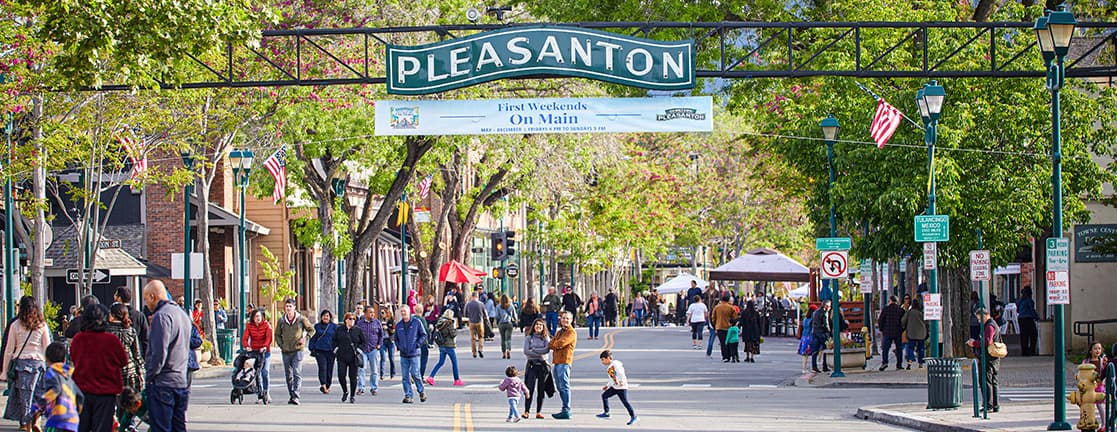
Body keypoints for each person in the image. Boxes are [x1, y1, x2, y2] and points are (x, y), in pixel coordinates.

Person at [143, 280, 192, 432]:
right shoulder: (182, 314)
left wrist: (150, 376)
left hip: (163, 382)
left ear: (153, 296)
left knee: (161, 428)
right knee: (178, 427)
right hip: (181, 380)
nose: (147, 305)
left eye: (146, 299)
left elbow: (159, 353)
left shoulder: (161, 316)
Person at [70, 303, 127, 432]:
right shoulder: (111, 340)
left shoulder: (78, 339)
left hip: (82, 390)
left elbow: (73, 358)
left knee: (82, 426)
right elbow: (123, 361)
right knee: (102, 427)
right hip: (106, 392)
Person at [2, 296, 51, 431]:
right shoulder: (42, 325)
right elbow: (47, 347)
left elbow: (9, 350)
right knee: (39, 394)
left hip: (22, 364)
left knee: (24, 396)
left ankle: (25, 424)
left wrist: (4, 371)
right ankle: (36, 419)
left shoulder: (15, 325)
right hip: (39, 364)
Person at [274, 298, 314, 405]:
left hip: (298, 350)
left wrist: (305, 338)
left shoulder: (301, 319)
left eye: (290, 306)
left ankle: (296, 395)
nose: (288, 308)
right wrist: (281, 345)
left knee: (297, 372)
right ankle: (291, 395)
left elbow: (311, 329)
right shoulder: (282, 320)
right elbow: (277, 334)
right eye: (287, 306)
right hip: (286, 350)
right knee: (288, 374)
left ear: (294, 307)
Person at [34, 341, 81, 432]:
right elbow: (80, 396)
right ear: (64, 359)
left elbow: (52, 392)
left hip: (56, 417)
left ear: (46, 360)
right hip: (72, 420)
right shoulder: (72, 374)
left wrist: (37, 407)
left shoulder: (51, 373)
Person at [967, 308, 1001, 413]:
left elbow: (987, 341)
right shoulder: (993, 324)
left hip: (988, 357)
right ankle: (995, 405)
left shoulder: (990, 326)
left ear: (985, 316)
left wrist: (974, 343)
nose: (979, 321)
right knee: (993, 381)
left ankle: (989, 405)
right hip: (993, 358)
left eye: (980, 319)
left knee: (986, 381)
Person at [108, 303, 146, 394]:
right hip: (130, 371)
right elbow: (137, 354)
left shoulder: (107, 331)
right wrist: (141, 371)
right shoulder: (130, 330)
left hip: (112, 372)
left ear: (112, 315)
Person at [394, 305, 427, 404]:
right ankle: (408, 395)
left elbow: (423, 334)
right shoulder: (399, 325)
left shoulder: (416, 322)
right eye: (402, 311)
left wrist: (417, 344)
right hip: (404, 354)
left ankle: (421, 391)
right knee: (405, 376)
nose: (403, 313)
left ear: (409, 311)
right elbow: (396, 338)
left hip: (414, 353)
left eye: (405, 311)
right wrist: (399, 346)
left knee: (415, 373)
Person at [595, 349, 637, 425]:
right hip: (615, 387)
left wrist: (621, 381)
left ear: (608, 358)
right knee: (604, 395)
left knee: (625, 402)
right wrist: (607, 386)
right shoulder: (609, 368)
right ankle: (606, 413)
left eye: (603, 360)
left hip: (621, 387)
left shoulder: (615, 364)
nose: (602, 362)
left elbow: (620, 372)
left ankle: (633, 416)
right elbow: (612, 378)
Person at [332, 312, 366, 404]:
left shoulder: (357, 330)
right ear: (345, 320)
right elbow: (334, 341)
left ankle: (352, 395)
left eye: (353, 319)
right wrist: (336, 349)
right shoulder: (340, 330)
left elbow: (363, 342)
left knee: (353, 377)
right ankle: (345, 391)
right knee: (341, 375)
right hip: (342, 356)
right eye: (350, 319)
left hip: (353, 357)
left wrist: (359, 350)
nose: (352, 321)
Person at [522, 318, 552, 420]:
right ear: (533, 326)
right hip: (532, 365)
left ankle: (539, 411)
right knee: (529, 388)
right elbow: (526, 351)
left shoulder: (545, 338)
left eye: (540, 325)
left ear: (543, 327)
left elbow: (547, 350)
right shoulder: (528, 338)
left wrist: (534, 350)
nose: (538, 326)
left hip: (543, 366)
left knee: (541, 389)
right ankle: (526, 411)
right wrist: (539, 352)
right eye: (536, 325)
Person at [549, 311, 577, 419]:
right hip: (556, 361)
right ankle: (564, 408)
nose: (565, 320)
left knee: (564, 385)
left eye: (567, 319)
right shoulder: (560, 332)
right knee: (559, 386)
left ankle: (566, 409)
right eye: (563, 318)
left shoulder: (571, 332)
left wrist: (555, 344)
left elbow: (560, 343)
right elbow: (551, 344)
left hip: (564, 362)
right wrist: (555, 344)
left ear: (571, 320)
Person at [426, 309, 464, 386]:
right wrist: (455, 328)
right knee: (454, 363)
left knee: (440, 362)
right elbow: (453, 334)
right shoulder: (449, 323)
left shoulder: (440, 322)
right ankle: (456, 380)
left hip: (441, 345)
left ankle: (431, 377)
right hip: (449, 346)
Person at [242, 308, 273, 402]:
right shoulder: (249, 326)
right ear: (253, 318)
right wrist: (246, 346)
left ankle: (266, 391)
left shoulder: (266, 325)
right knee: (256, 372)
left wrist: (264, 346)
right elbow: (245, 338)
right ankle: (260, 394)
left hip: (265, 351)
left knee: (265, 371)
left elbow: (269, 338)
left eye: (259, 316)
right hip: (254, 351)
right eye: (256, 316)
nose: (258, 318)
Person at [355, 305, 384, 396]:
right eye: (370, 312)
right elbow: (356, 335)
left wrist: (379, 344)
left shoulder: (377, 323)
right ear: (365, 313)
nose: (372, 314)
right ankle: (361, 388)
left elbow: (381, 334)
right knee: (362, 369)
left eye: (373, 312)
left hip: (373, 349)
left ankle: (374, 387)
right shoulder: (360, 323)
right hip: (363, 349)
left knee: (374, 370)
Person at [309, 309, 337, 395]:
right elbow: (313, 337)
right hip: (320, 350)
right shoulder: (317, 326)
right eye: (324, 316)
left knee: (329, 369)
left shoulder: (334, 327)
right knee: (323, 368)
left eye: (327, 316)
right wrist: (311, 348)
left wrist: (337, 348)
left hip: (331, 351)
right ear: (321, 317)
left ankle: (328, 385)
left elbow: (337, 338)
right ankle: (323, 385)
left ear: (330, 317)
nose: (325, 317)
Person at [114, 287, 149, 355]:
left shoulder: (113, 316)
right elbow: (145, 339)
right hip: (137, 355)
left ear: (119, 298)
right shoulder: (139, 315)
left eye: (115, 295)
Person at [878, 295, 906, 371]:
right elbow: (904, 321)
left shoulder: (886, 309)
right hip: (898, 331)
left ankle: (885, 362)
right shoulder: (900, 310)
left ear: (890, 301)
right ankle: (899, 365)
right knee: (899, 348)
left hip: (887, 331)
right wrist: (902, 329)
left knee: (885, 348)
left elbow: (880, 320)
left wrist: (882, 329)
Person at [1084, 341, 1108, 426]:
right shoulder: (1086, 361)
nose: (1097, 350)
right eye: (1095, 348)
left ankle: (1104, 423)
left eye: (1099, 348)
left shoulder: (1102, 361)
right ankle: (1090, 422)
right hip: (1089, 386)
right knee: (1088, 405)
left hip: (1099, 385)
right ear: (1090, 351)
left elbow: (1105, 372)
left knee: (1100, 405)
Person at [711, 295, 739, 362]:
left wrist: (715, 325)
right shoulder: (731, 307)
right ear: (728, 300)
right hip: (729, 327)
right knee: (729, 341)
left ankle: (725, 356)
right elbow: (735, 317)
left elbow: (713, 317)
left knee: (722, 342)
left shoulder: (717, 307)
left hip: (719, 326)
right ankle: (730, 355)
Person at [901, 298, 928, 369]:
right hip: (921, 333)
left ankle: (910, 361)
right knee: (921, 348)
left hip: (911, 333)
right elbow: (926, 322)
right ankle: (921, 363)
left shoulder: (909, 312)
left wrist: (904, 327)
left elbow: (903, 321)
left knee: (910, 347)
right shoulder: (921, 313)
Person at [1016, 286, 1039, 356]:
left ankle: (1024, 351)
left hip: (1020, 319)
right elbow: (1032, 310)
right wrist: (1037, 318)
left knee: (1023, 336)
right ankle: (1032, 350)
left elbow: (1017, 310)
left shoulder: (1020, 301)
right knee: (1033, 334)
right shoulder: (1029, 301)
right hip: (1028, 318)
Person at [810, 301, 831, 373]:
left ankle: (814, 366)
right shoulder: (824, 313)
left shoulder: (815, 312)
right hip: (822, 332)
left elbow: (811, 322)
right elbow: (826, 324)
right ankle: (824, 366)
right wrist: (829, 332)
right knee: (825, 349)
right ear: (826, 306)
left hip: (815, 332)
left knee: (815, 350)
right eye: (829, 306)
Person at [464, 293, 487, 358]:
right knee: (481, 337)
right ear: (477, 296)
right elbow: (485, 314)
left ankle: (474, 353)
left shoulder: (468, 304)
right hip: (480, 322)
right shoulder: (481, 304)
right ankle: (480, 349)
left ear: (472, 297)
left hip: (471, 322)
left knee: (473, 338)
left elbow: (465, 313)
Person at [496, 295, 517, 359]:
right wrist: (515, 321)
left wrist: (498, 321)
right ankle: (508, 350)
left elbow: (497, 316)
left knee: (503, 339)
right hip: (509, 323)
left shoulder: (498, 306)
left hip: (501, 324)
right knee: (508, 338)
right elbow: (514, 315)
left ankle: (504, 353)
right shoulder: (510, 306)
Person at [379, 306, 397, 380]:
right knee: (383, 358)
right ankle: (382, 374)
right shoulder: (379, 321)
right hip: (382, 341)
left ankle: (392, 373)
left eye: (383, 313)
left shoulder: (392, 320)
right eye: (381, 313)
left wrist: (387, 328)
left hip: (390, 340)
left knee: (391, 358)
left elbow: (393, 331)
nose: (382, 314)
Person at [798, 305, 817, 373]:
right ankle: (814, 366)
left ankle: (804, 368)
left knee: (805, 355)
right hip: (810, 337)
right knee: (814, 352)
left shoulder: (805, 319)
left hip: (804, 337)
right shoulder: (813, 319)